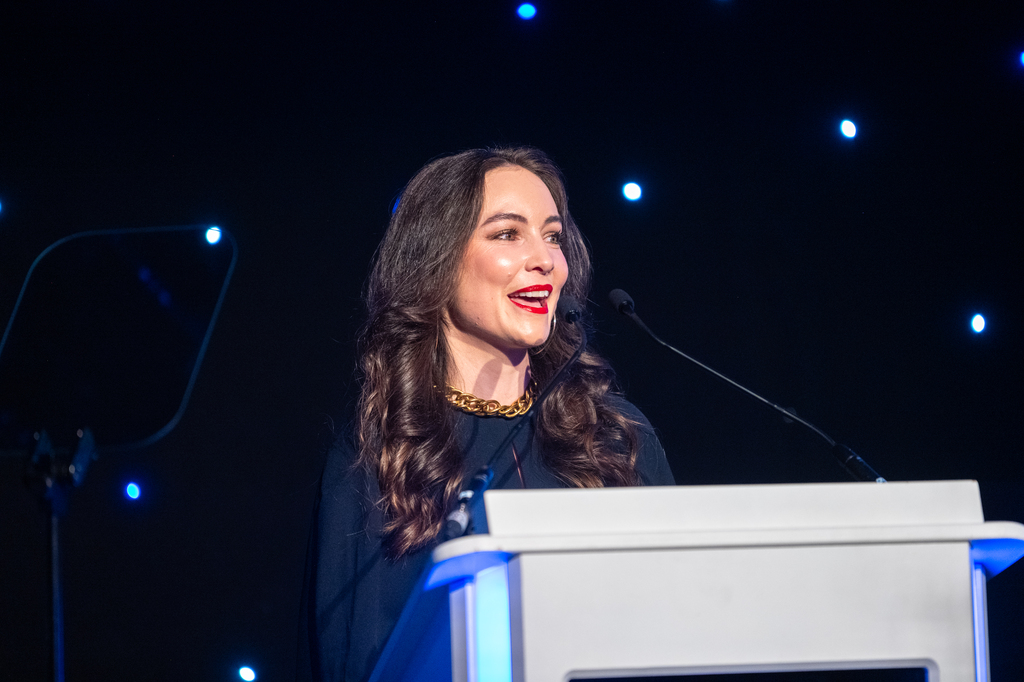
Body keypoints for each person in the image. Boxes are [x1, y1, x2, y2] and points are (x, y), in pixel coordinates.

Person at [298, 146, 674, 682]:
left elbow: (674, 620)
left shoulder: (614, 435)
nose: (545, 259)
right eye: (507, 234)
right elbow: (352, 657)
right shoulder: (382, 455)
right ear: (436, 261)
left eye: (553, 236)